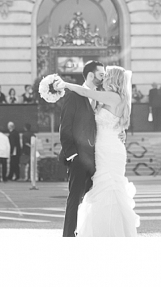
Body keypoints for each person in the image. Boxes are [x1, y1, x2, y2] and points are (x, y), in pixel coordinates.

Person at [55, 64, 139, 238]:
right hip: (103, 149)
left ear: (113, 79)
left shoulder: (111, 96)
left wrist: (66, 84)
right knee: (104, 188)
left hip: (107, 150)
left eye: (106, 76)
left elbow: (86, 93)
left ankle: (106, 233)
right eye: (101, 75)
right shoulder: (113, 98)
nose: (103, 78)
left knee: (107, 188)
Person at [57, 59, 104, 237]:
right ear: (91, 75)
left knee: (97, 199)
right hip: (78, 158)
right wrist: (72, 155)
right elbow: (65, 127)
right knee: (75, 199)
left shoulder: (103, 96)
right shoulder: (73, 96)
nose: (104, 78)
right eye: (101, 75)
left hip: (98, 158)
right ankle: (69, 236)